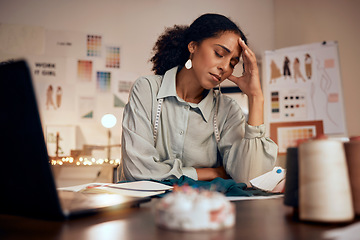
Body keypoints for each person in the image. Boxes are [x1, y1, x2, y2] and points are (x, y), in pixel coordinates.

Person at [118, 13, 278, 184]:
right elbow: (137, 171)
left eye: (233, 63)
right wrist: (212, 173)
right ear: (193, 46)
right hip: (146, 209)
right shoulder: (147, 90)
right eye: (219, 53)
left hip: (208, 209)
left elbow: (251, 178)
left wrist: (256, 97)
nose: (224, 67)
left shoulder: (227, 110)